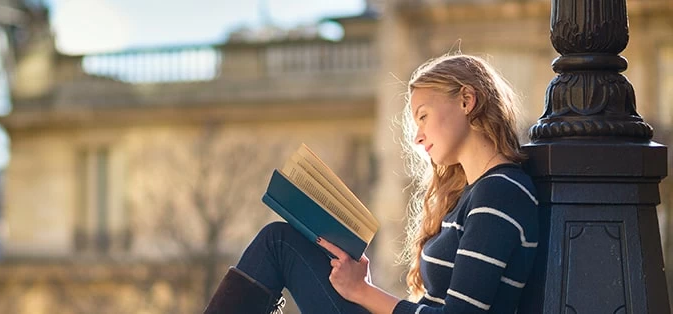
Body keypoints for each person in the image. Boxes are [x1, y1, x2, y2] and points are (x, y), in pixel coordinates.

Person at [204, 54, 540, 314]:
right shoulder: (475, 192)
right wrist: (362, 286)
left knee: (277, 244)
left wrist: (363, 292)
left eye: (423, 115)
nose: (418, 136)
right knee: (278, 241)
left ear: (467, 100)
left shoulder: (501, 192)